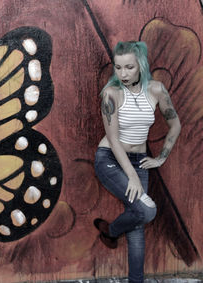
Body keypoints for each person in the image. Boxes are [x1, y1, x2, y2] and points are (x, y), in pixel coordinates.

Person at [93, 41, 181, 283]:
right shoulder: (111, 94)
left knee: (137, 221)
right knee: (146, 210)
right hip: (110, 158)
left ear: (140, 65)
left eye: (129, 67)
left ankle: (134, 278)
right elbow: (112, 138)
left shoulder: (156, 90)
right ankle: (111, 232)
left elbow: (175, 123)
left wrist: (161, 158)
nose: (122, 74)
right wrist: (131, 175)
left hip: (139, 159)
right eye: (118, 67)